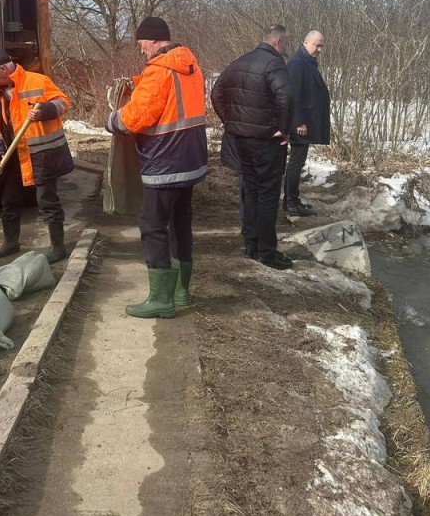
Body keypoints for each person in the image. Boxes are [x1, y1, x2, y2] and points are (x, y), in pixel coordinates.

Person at [107, 16, 208, 318]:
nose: (141, 51)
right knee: (180, 223)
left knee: (152, 226)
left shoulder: (159, 72)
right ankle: (181, 293)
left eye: (141, 45)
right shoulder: (189, 66)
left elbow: (135, 118)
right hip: (190, 160)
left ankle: (160, 300)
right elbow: (170, 100)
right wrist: (139, 85)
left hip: (165, 161)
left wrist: (112, 119)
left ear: (152, 40)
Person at [211, 25, 293, 270]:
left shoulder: (239, 61)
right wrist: (285, 128)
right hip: (266, 140)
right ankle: (266, 251)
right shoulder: (273, 64)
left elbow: (216, 93)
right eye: (286, 43)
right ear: (277, 41)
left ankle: (251, 244)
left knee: (250, 190)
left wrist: (230, 121)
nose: (286, 48)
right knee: (267, 195)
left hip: (240, 140)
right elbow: (286, 97)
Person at [0, 50, 75, 264]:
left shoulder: (38, 81)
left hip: (43, 153)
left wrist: (45, 110)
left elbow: (63, 102)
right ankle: (11, 242)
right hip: (14, 155)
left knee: (47, 201)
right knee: (9, 199)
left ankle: (58, 247)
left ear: (3, 69)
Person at [284, 29, 330, 217]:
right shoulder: (297, 63)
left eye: (321, 46)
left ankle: (293, 200)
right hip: (300, 124)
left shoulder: (308, 62)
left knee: (298, 161)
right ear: (306, 43)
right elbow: (293, 95)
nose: (319, 49)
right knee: (296, 162)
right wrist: (299, 122)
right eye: (316, 44)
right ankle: (291, 203)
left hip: (305, 122)